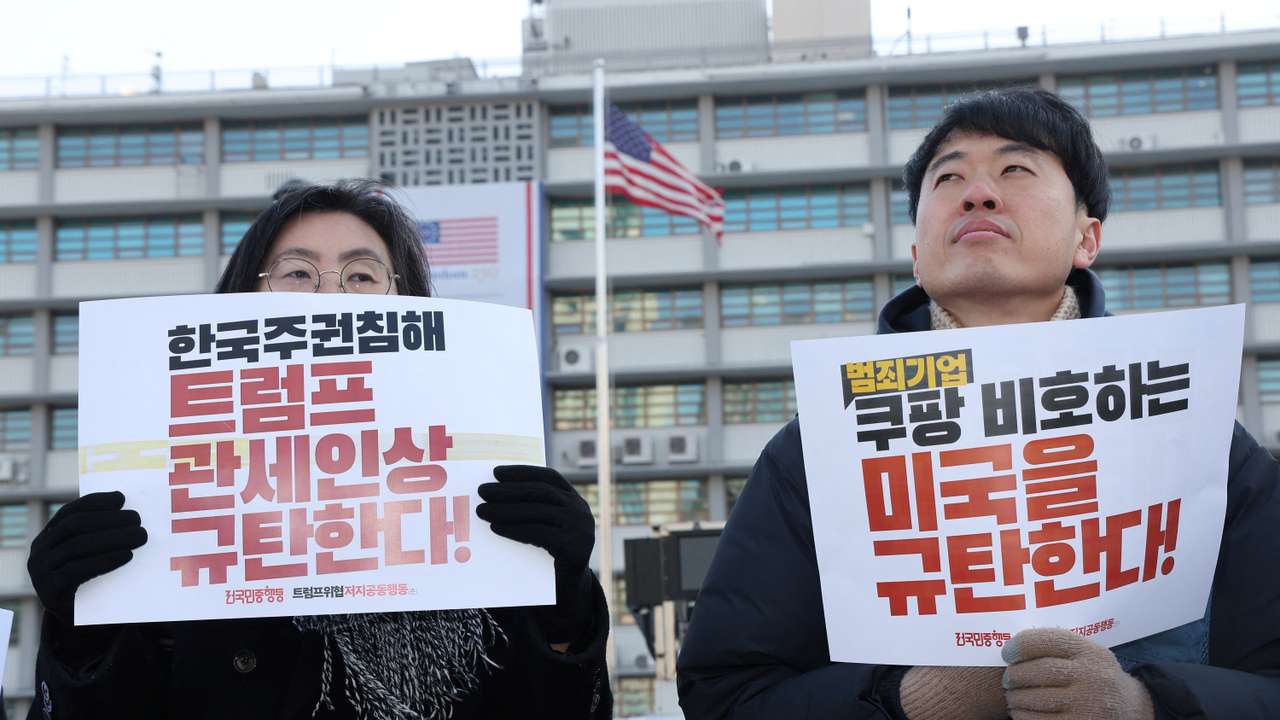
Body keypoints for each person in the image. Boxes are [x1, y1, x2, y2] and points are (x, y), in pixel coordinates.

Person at [676, 88, 1280, 719]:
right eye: (949, 178)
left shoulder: (1200, 437)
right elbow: (725, 694)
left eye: (1015, 169)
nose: (978, 193)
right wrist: (910, 700)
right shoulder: (815, 452)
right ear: (917, 255)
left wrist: (1147, 705)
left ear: (1087, 238)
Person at [26, 180, 612, 720]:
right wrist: (82, 634)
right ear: (239, 298)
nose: (329, 293)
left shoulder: (475, 497)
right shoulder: (167, 508)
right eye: (298, 273)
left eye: (361, 276)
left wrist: (562, 604)